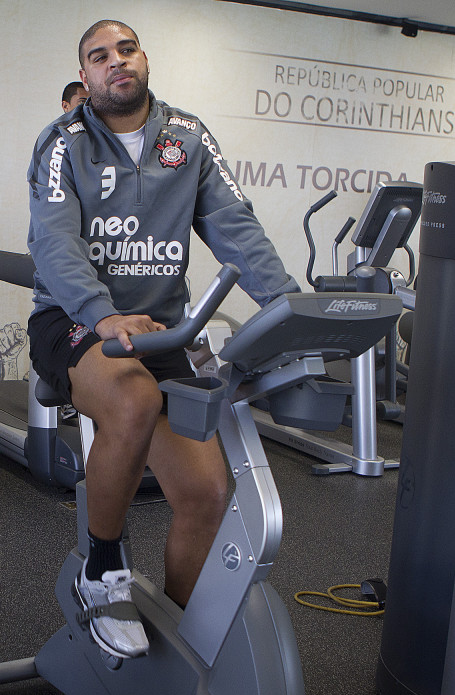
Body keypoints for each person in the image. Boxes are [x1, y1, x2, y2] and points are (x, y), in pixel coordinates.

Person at [26, 20, 299, 660]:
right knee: (132, 403)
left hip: (160, 330)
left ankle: (180, 633)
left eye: (127, 50)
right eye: (100, 56)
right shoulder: (62, 143)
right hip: (72, 322)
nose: (116, 63)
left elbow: (236, 226)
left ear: (144, 59)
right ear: (85, 74)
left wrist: (288, 304)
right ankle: (102, 571)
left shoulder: (188, 137)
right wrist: (99, 312)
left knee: (207, 494)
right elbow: (55, 241)